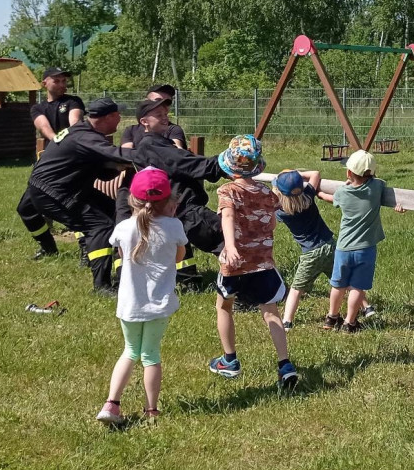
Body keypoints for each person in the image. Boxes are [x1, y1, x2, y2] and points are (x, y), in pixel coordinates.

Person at [95, 167, 187, 425]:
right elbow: (179, 257)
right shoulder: (174, 226)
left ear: (132, 200)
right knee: (150, 356)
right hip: (159, 305)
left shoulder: (124, 227)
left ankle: (111, 404)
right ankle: (151, 411)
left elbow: (123, 255)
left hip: (129, 305)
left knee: (130, 351)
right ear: (169, 201)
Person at [207, 135, 299, 389]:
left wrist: (231, 245)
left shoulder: (228, 191)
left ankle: (229, 360)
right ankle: (285, 364)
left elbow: (227, 217)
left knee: (224, 307)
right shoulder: (267, 194)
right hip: (263, 264)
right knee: (270, 311)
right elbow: (271, 223)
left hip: (235, 264)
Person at [24, 98, 131, 292]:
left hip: (66, 187)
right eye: (117, 115)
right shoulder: (86, 137)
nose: (120, 118)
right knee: (100, 225)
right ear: (108, 117)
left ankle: (118, 268)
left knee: (112, 212)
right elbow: (121, 155)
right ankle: (102, 286)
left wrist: (115, 166)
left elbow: (100, 171)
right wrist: (153, 156)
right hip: (53, 192)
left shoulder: (84, 132)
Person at [122, 97, 225, 288]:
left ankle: (189, 281)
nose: (164, 118)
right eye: (158, 115)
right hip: (187, 210)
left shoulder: (160, 143)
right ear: (144, 122)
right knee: (231, 242)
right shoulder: (152, 145)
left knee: (219, 245)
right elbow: (187, 163)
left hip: (178, 210)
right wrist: (225, 162)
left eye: (165, 114)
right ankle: (242, 291)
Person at [317, 150, 401, 332]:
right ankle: (350, 322)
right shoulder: (377, 187)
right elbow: (378, 182)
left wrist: (321, 194)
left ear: (348, 173)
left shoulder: (342, 193)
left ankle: (331, 318)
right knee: (357, 287)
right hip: (366, 249)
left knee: (338, 285)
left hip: (343, 248)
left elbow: (332, 198)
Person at [18, 67, 86, 258]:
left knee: (73, 205)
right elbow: (44, 128)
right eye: (57, 80)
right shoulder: (38, 108)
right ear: (44, 83)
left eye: (64, 81)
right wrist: (57, 142)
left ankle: (86, 248)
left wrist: (69, 142)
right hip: (48, 164)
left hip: (71, 161)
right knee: (26, 208)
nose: (62, 84)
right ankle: (48, 248)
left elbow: (76, 122)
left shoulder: (73, 101)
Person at [273, 169, 336, 331]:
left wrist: (284, 177)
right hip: (329, 244)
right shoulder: (308, 196)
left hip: (311, 253)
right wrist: (295, 174)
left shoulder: (281, 212)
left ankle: (287, 322)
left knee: (296, 289)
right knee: (344, 280)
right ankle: (367, 307)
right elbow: (315, 173)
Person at [119, 85, 187, 149]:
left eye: (167, 102)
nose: (163, 105)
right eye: (158, 100)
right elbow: (126, 153)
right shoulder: (131, 130)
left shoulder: (173, 129)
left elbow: (177, 151)